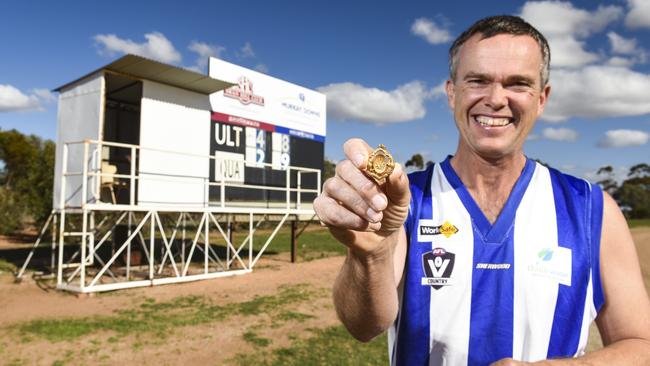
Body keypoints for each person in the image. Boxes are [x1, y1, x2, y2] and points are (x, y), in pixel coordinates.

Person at [314, 15, 650, 366]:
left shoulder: (592, 209)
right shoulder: (404, 200)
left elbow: (641, 344)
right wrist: (371, 257)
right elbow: (363, 326)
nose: (495, 99)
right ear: (451, 92)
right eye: (478, 80)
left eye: (518, 84)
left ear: (542, 98)